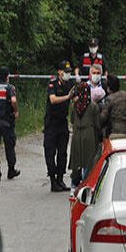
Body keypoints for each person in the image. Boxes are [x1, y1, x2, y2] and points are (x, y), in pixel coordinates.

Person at [44, 60, 74, 192]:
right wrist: (67, 97)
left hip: (62, 121)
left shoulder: (70, 84)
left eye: (69, 72)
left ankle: (60, 178)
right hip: (51, 122)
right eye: (66, 72)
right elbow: (53, 99)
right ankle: (53, 180)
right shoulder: (53, 83)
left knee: (62, 152)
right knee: (50, 152)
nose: (68, 74)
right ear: (59, 72)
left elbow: (74, 99)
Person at [69, 82, 101, 192]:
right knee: (89, 160)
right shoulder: (93, 106)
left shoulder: (75, 105)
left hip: (77, 134)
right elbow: (97, 123)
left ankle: (74, 184)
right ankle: (86, 183)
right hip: (90, 134)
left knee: (76, 159)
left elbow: (72, 120)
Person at [0, 67, 21, 181]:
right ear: (7, 76)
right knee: (10, 146)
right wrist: (16, 111)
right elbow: (13, 100)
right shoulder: (10, 87)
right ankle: (11, 170)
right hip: (7, 121)